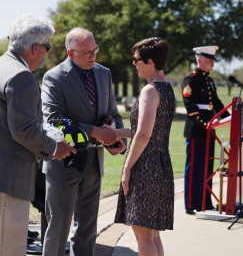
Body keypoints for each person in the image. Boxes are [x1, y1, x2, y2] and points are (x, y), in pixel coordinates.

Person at [41, 27, 127, 256]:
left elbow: (113, 112)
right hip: (63, 162)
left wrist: (116, 137)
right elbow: (54, 122)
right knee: (58, 228)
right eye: (87, 52)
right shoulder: (54, 77)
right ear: (71, 53)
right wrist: (96, 132)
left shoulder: (103, 73)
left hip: (94, 162)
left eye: (95, 49)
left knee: (87, 229)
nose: (93, 56)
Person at [0, 14, 75, 256]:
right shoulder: (22, 76)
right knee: (9, 247)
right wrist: (55, 148)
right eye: (47, 47)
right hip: (10, 179)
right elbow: (23, 130)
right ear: (35, 48)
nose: (47, 53)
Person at [114, 37, 175, 256]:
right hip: (161, 165)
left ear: (149, 62)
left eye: (136, 59)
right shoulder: (167, 88)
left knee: (143, 236)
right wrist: (115, 133)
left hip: (145, 167)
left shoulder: (150, 91)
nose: (134, 63)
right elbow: (147, 129)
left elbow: (143, 135)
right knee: (152, 235)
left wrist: (127, 168)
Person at [181, 46, 230, 215]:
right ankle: (191, 204)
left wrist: (228, 118)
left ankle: (204, 203)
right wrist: (207, 124)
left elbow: (217, 104)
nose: (212, 62)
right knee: (195, 169)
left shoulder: (209, 81)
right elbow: (192, 109)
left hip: (210, 131)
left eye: (213, 59)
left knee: (208, 170)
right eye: (209, 59)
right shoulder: (190, 80)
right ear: (199, 59)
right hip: (197, 130)